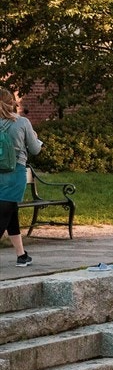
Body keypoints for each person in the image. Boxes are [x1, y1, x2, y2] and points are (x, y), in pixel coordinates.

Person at [0, 90, 43, 268]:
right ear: (12, 103)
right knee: (3, 215)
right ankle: (21, 255)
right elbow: (34, 150)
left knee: (10, 213)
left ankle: (22, 255)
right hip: (14, 172)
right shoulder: (22, 122)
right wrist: (37, 141)